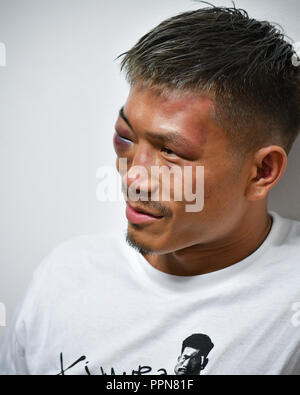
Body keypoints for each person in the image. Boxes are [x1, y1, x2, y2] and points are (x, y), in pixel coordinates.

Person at [1, 5, 300, 375]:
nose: (133, 178)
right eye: (125, 137)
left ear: (261, 172)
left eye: (171, 152)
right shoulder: (63, 278)